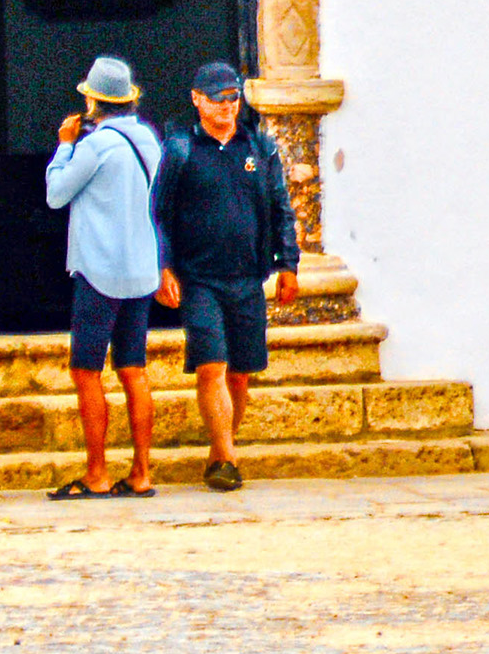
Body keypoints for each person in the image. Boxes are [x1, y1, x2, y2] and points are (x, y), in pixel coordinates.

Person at [151, 61, 304, 490]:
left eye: (233, 97)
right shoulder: (181, 150)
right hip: (200, 279)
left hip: (246, 278)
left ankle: (223, 448)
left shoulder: (258, 148)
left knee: (240, 372)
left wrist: (287, 264)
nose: (227, 106)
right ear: (197, 100)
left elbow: (280, 208)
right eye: (217, 98)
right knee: (211, 365)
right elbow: (159, 212)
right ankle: (225, 458)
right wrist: (164, 266)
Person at [42, 54, 164, 499]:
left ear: (93, 101)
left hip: (100, 270)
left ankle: (96, 473)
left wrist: (64, 145)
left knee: (87, 370)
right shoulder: (149, 139)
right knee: (134, 367)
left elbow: (56, 195)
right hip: (140, 269)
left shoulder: (93, 145)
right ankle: (142, 471)